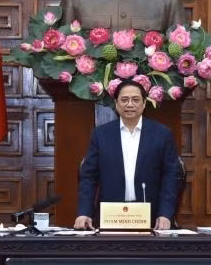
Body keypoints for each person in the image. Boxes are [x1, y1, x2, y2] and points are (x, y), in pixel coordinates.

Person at [75, 80, 180, 230]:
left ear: (144, 103)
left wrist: (165, 214)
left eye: (135, 100)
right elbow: (88, 176)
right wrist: (84, 212)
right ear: (116, 104)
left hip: (151, 218)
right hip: (110, 217)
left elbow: (171, 176)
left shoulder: (162, 134)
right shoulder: (100, 135)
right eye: (124, 100)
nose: (130, 104)